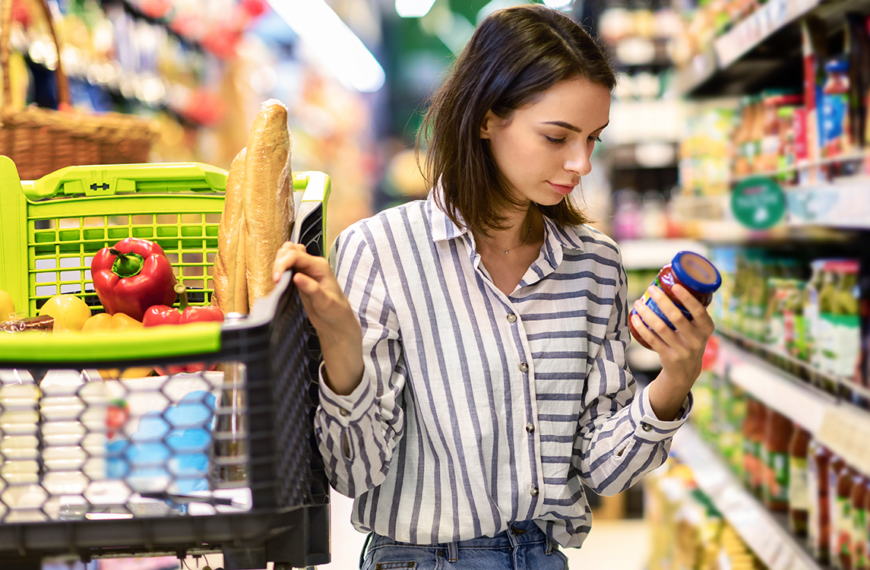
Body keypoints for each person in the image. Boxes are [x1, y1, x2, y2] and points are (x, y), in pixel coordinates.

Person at [272, 5, 713, 569]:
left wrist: (674, 380)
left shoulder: (594, 264)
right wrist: (340, 349)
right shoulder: (380, 252)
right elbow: (353, 471)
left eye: (593, 139)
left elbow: (605, 471)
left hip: (543, 556)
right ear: (486, 117)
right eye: (557, 136)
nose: (579, 162)